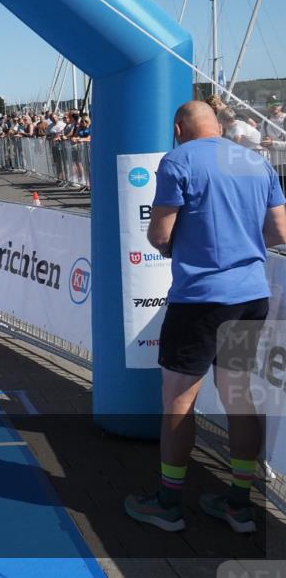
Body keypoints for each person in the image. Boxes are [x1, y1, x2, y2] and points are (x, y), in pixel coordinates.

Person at [125, 100, 286, 534]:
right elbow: (279, 233)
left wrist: (185, 247)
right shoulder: (256, 161)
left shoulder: (178, 160)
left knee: (178, 398)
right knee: (239, 396)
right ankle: (239, 504)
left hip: (200, 299)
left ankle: (169, 503)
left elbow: (159, 234)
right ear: (217, 125)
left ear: (178, 128)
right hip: (251, 295)